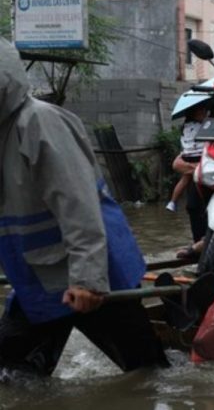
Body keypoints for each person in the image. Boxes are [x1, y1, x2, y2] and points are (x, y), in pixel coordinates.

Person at [0, 39, 168, 376]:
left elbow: (79, 207)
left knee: (148, 374)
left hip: (94, 273)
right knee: (13, 376)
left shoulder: (39, 123)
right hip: (39, 277)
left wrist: (88, 281)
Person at [165, 105, 208, 213]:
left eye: (204, 110)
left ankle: (172, 202)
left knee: (185, 179)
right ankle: (204, 202)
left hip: (186, 156)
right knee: (198, 177)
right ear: (193, 114)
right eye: (201, 111)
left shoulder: (185, 126)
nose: (204, 113)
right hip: (197, 156)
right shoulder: (202, 126)